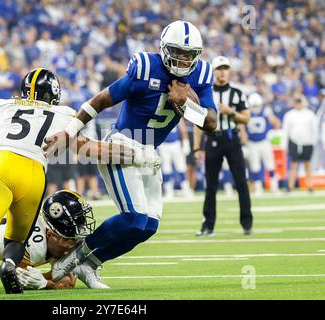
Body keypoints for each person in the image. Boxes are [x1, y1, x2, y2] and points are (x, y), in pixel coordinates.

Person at [44, 20, 217, 281]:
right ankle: (73, 257)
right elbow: (99, 100)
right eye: (177, 53)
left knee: (148, 226)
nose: (182, 60)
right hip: (123, 145)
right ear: (164, 48)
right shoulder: (146, 68)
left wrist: (186, 105)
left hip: (150, 151)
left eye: (188, 55)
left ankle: (89, 264)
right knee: (134, 219)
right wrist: (69, 132)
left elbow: (212, 123)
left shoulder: (201, 76)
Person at [0, 68, 137, 299]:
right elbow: (87, 149)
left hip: (3, 165)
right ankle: (9, 263)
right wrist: (129, 154)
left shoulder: (4, 107)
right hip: (35, 176)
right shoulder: (64, 114)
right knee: (17, 238)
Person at [193, 56, 252, 236]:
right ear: (214, 71)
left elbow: (246, 118)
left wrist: (230, 112)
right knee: (210, 185)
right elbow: (198, 122)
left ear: (229, 71)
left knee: (241, 182)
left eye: (225, 68)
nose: (222, 72)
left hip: (232, 139)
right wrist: (197, 148)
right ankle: (208, 225)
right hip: (213, 140)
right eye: (219, 68)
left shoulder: (237, 93)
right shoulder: (206, 92)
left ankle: (247, 223)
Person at [244, 92, 281, 195]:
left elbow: (276, 122)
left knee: (270, 165)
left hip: (264, 141)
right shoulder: (247, 112)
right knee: (255, 166)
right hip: (251, 143)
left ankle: (274, 187)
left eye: (257, 105)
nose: (255, 107)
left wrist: (273, 131)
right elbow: (242, 127)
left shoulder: (266, 111)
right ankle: (258, 188)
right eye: (254, 105)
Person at [283, 95, 319, 192]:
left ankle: (310, 186)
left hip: (307, 142)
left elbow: (315, 130)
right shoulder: (289, 115)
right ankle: (290, 187)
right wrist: (284, 145)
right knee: (294, 164)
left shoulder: (310, 114)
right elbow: (286, 131)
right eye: (297, 102)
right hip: (294, 142)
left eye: (300, 102)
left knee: (307, 164)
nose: (298, 104)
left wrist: (313, 142)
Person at [158, 119, 194, 198]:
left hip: (176, 144)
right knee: (166, 169)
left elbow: (183, 129)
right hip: (163, 144)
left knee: (181, 168)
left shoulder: (176, 113)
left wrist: (185, 142)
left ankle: (186, 190)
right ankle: (168, 191)